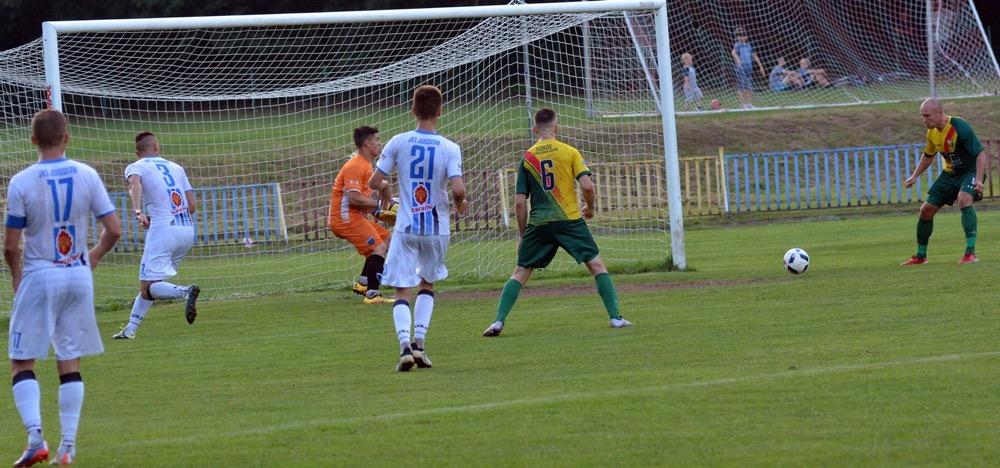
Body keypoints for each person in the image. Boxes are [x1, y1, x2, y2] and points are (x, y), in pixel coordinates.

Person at [5, 109, 122, 466]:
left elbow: (10, 246)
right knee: (69, 359)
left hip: (41, 274)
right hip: (78, 275)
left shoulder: (22, 181)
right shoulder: (87, 174)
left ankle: (35, 438)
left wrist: (16, 277)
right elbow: (114, 229)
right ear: (67, 138)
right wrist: (94, 256)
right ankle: (67, 448)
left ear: (33, 140)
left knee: (21, 360)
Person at [482, 108, 632, 338]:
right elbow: (588, 186)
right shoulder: (569, 152)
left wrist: (523, 235)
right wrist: (590, 208)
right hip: (569, 220)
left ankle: (498, 322)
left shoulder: (527, 158)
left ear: (535, 130)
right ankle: (615, 318)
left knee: (520, 272)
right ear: (557, 128)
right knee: (596, 265)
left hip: (539, 224)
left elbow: (520, 203)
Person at [368, 85, 466, 372]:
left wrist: (385, 187)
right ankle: (420, 345)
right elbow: (458, 188)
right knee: (427, 283)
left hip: (406, 227)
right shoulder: (450, 147)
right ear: (440, 111)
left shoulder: (398, 141)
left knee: (402, 289)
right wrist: (459, 203)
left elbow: (374, 181)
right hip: (437, 229)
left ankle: (404, 348)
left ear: (413, 110)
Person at [112, 131, 200, 340]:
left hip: (163, 231)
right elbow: (192, 206)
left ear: (137, 152)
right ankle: (130, 330)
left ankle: (185, 291)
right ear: (157, 147)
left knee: (148, 287)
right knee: (151, 284)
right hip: (186, 230)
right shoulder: (177, 168)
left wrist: (138, 211)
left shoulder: (136, 166)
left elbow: (134, 184)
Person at [902, 98, 987, 265]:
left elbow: (981, 154)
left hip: (969, 172)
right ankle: (921, 256)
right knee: (926, 210)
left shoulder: (959, 127)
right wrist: (914, 176)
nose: (923, 120)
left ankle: (970, 254)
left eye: (927, 115)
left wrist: (978, 180)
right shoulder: (932, 132)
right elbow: (928, 155)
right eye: (922, 115)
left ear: (940, 113)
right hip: (950, 174)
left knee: (964, 199)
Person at [328, 125, 396, 305]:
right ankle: (372, 295)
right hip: (345, 218)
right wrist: (380, 208)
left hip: (354, 216)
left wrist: (385, 190)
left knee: (387, 239)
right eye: (377, 140)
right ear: (367, 143)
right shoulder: (356, 166)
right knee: (378, 247)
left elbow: (377, 187)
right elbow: (354, 199)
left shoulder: (366, 165)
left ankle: (363, 283)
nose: (380, 144)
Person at [730, 28, 766, 109]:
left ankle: (749, 104)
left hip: (749, 68)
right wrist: (738, 60)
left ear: (746, 37)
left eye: (743, 36)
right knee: (742, 86)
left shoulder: (749, 45)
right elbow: (733, 53)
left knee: (749, 86)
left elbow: (754, 56)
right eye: (739, 36)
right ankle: (743, 104)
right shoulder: (737, 44)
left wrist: (761, 66)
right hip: (740, 68)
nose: (741, 37)